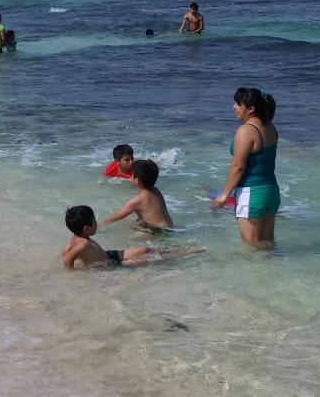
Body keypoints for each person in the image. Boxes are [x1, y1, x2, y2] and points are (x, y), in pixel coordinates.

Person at [212, 87, 280, 248]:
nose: (234, 107)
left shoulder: (246, 131)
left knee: (252, 249)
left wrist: (224, 195)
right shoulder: (270, 127)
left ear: (250, 109)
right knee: (268, 243)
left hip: (252, 193)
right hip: (271, 191)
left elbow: (238, 166)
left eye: (238, 103)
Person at [61, 206, 205, 269]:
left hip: (111, 256)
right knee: (152, 257)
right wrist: (75, 274)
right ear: (87, 228)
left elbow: (65, 252)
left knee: (144, 249)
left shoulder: (76, 239)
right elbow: (67, 260)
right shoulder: (82, 245)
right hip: (111, 266)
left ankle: (178, 251)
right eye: (94, 221)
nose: (96, 223)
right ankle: (186, 252)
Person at [101, 159, 174, 230]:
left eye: (132, 174)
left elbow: (117, 216)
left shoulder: (137, 200)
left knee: (128, 238)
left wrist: (100, 224)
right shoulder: (156, 191)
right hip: (169, 227)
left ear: (136, 180)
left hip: (156, 231)